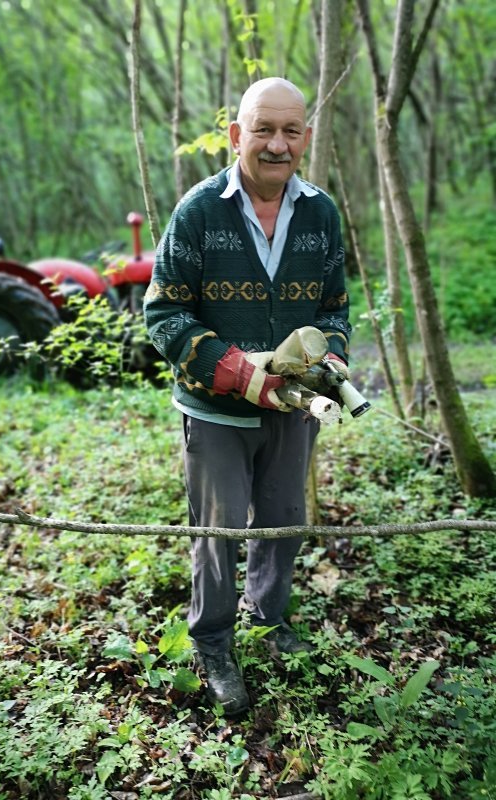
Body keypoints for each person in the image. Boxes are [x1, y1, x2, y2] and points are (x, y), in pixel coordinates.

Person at [143, 77, 351, 716]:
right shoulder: (199, 211)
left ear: (305, 139)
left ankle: (269, 617)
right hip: (215, 412)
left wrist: (333, 357)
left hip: (295, 410)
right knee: (220, 527)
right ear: (237, 135)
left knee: (285, 520)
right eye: (263, 129)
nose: (277, 144)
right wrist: (238, 373)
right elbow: (164, 314)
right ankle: (212, 639)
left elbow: (335, 308)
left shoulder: (320, 212)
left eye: (291, 131)